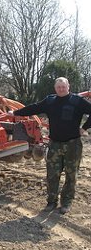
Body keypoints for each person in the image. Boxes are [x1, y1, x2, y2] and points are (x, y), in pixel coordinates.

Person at [13, 77, 91, 214]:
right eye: (58, 87)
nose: (61, 89)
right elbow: (34, 108)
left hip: (73, 144)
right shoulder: (50, 101)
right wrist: (16, 113)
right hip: (54, 143)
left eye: (63, 86)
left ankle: (66, 203)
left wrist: (84, 128)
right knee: (52, 174)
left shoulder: (77, 101)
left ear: (68, 86)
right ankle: (51, 202)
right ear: (55, 88)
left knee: (71, 174)